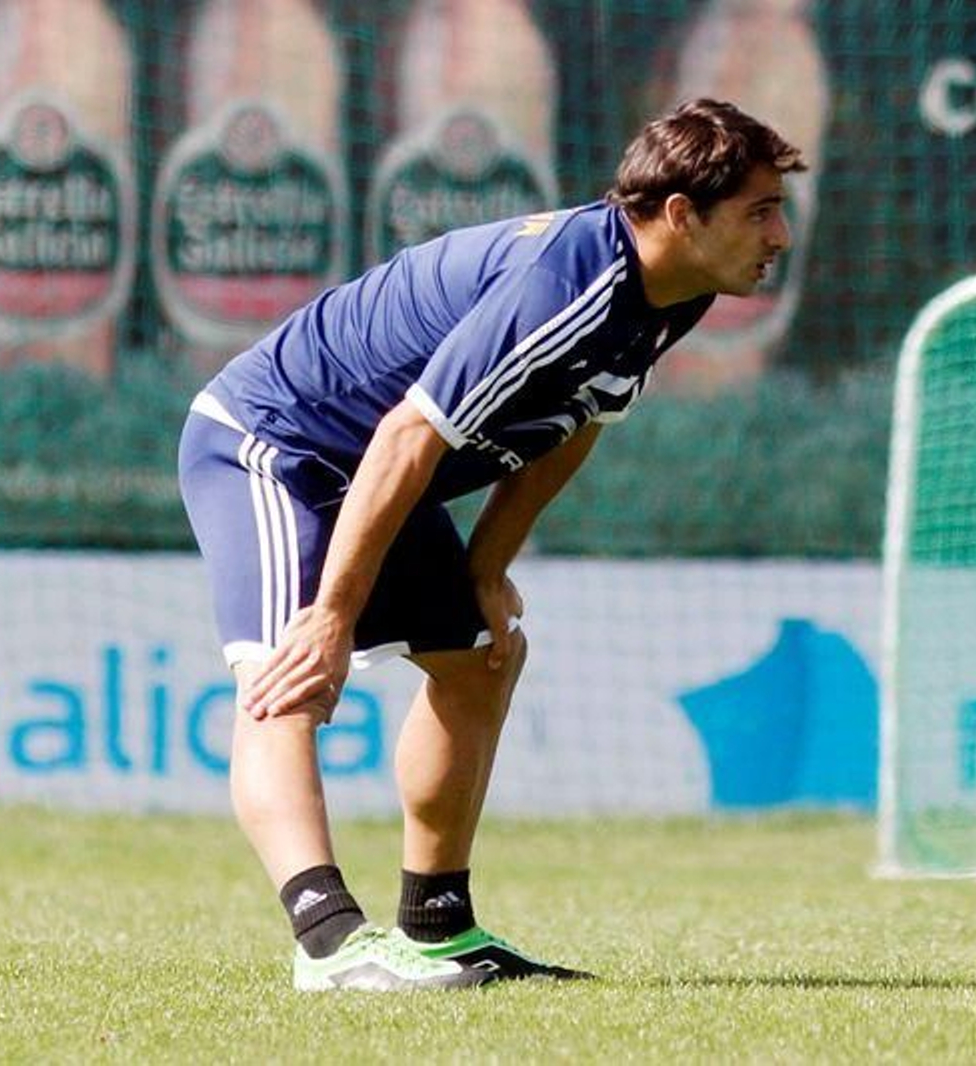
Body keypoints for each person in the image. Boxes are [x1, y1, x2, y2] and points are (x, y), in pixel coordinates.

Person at [177, 98, 804, 991]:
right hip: (276, 444)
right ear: (679, 214)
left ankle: (436, 928)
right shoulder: (568, 286)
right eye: (759, 210)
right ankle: (328, 943)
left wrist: (486, 569)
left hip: (378, 470)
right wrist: (331, 618)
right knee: (290, 676)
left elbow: (581, 419)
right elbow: (407, 435)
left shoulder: (677, 288)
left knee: (480, 658)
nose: (779, 232)